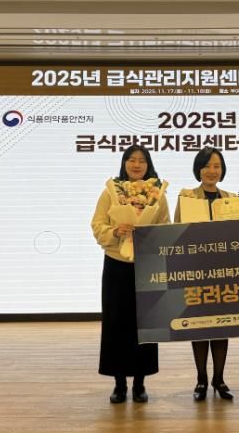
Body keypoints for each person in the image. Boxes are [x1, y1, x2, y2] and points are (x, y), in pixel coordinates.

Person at [91, 145, 170, 404]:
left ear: (148, 165)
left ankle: (139, 383)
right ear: (124, 163)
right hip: (116, 264)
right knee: (116, 323)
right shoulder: (111, 192)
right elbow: (97, 225)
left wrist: (148, 235)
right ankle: (119, 384)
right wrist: (116, 232)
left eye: (141, 161)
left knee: (144, 325)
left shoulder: (158, 195)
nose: (136, 165)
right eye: (131, 160)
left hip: (146, 265)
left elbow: (165, 228)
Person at [174, 146, 235, 401]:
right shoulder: (187, 197)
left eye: (217, 166)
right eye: (207, 166)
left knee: (221, 327)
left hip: (224, 271)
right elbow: (176, 232)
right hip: (196, 271)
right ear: (198, 169)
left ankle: (219, 379)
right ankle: (201, 379)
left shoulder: (232, 198)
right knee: (199, 327)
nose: (212, 171)